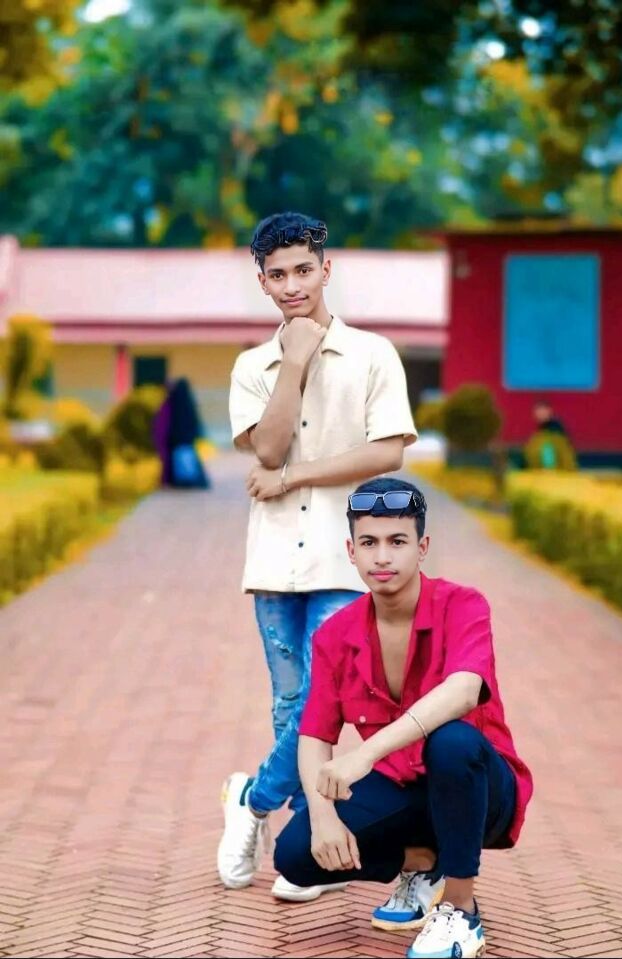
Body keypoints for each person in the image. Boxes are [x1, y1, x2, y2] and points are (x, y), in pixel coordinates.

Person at [219, 212, 417, 898]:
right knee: (289, 704)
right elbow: (268, 448)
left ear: (326, 268)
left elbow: (388, 451)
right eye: (277, 275)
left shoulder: (372, 355)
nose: (292, 285)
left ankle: (253, 799)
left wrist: (295, 477)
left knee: (325, 697)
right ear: (263, 282)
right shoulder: (252, 367)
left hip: (346, 558)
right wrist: (296, 360)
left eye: (304, 269)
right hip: (274, 559)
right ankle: (304, 846)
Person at [274, 477, 533, 959]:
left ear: (422, 547)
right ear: (351, 551)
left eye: (397, 542)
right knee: (295, 854)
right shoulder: (335, 635)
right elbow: (314, 734)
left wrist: (366, 754)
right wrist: (324, 816)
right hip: (404, 786)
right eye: (369, 543)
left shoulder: (463, 604)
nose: (382, 557)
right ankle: (422, 862)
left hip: (479, 789)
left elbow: (464, 690)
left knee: (452, 741)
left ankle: (461, 910)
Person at [153, 377, 210, 489]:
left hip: (180, 441)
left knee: (183, 463)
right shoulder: (185, 403)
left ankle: (184, 481)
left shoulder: (175, 404)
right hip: (185, 441)